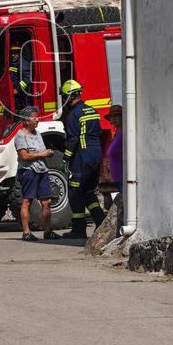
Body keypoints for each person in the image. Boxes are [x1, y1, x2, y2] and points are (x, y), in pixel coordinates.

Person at [60, 80, 106, 240]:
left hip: (83, 156)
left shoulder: (74, 114)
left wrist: (65, 158)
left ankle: (79, 229)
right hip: (96, 154)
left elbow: (73, 139)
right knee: (88, 191)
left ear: (69, 96)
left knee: (74, 191)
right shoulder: (91, 110)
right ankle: (101, 222)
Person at [14, 106, 61, 241]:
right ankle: (26, 232)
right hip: (29, 171)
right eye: (34, 117)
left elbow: (42, 151)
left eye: (36, 117)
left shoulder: (38, 134)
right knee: (27, 201)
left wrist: (49, 153)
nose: (37, 119)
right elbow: (24, 156)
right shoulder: (20, 136)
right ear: (26, 120)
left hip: (42, 170)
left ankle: (48, 231)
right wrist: (42, 154)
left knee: (46, 202)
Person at [9, 44, 32, 115]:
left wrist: (17, 89)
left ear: (19, 53)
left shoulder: (23, 63)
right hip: (13, 93)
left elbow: (27, 79)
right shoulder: (13, 63)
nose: (13, 55)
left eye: (15, 53)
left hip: (21, 95)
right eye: (11, 53)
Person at [105, 104, 124, 189]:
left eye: (116, 116)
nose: (113, 119)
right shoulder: (117, 132)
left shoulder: (124, 133)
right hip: (119, 179)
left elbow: (111, 151)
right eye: (111, 117)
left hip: (123, 178)